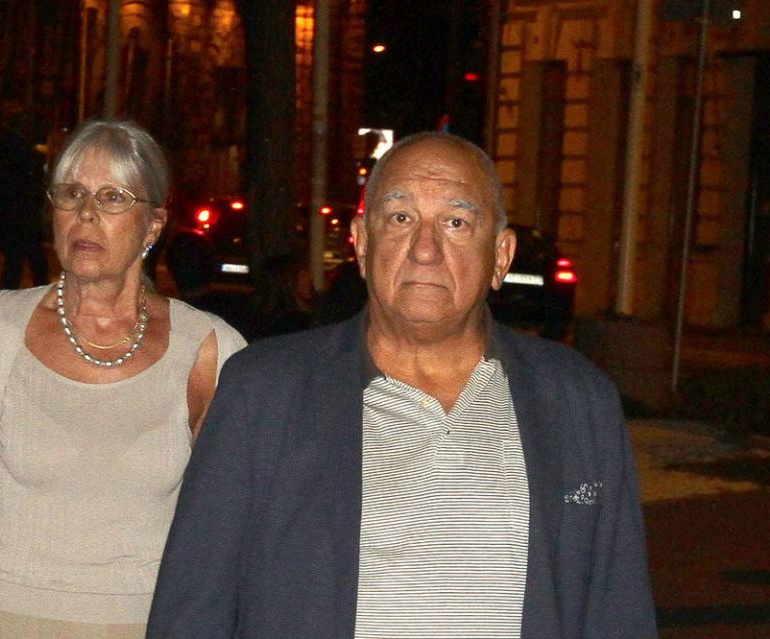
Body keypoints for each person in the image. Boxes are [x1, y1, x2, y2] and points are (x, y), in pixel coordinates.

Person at [146, 132, 657, 638]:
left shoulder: (576, 402)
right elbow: (193, 606)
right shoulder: (264, 393)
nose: (425, 250)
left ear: (501, 256)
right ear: (363, 243)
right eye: (400, 218)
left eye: (456, 222)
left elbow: (618, 607)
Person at [0, 119, 247, 639]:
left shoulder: (208, 348)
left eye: (113, 197)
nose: (86, 214)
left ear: (153, 224)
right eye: (71, 194)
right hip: (0, 620)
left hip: (149, 624)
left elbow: (236, 526)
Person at [0, 116, 50, 289]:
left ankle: (10, 292)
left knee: (14, 259)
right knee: (34, 257)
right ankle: (39, 290)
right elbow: (33, 180)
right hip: (22, 209)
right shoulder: (24, 150)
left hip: (7, 211)